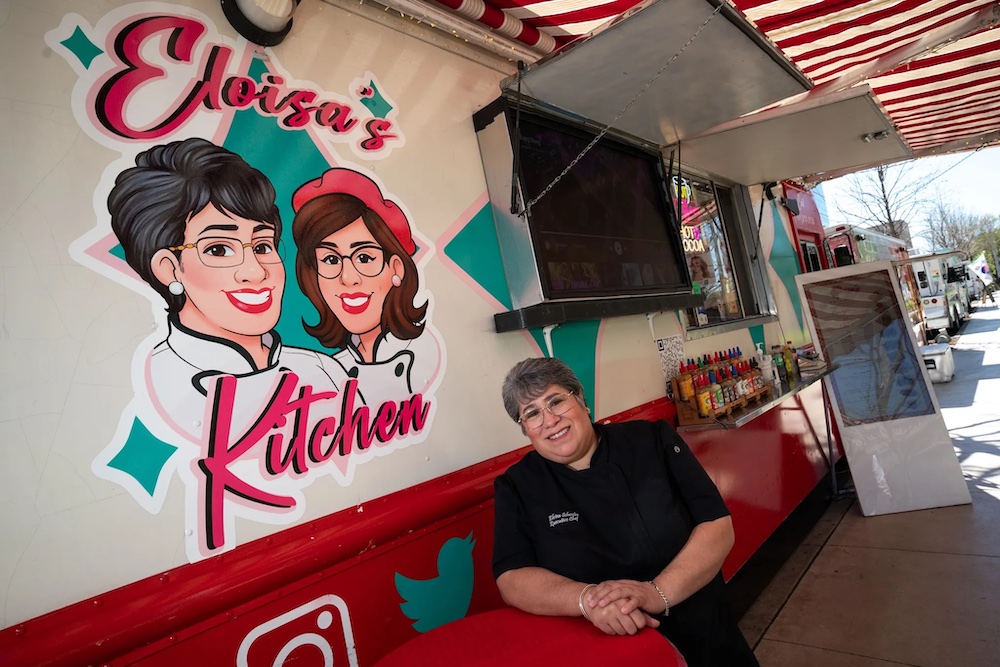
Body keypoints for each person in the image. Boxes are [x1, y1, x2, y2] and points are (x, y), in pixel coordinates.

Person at [492, 357, 758, 667]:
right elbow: (512, 577)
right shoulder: (517, 485)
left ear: (581, 399)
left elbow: (717, 525)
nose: (549, 420)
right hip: (600, 647)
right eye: (532, 413)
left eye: (556, 401)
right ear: (525, 429)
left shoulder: (652, 439)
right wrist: (589, 600)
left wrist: (656, 593)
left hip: (699, 627)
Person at [109, 138, 347, 441]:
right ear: (169, 268)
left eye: (262, 246)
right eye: (219, 249)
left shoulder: (322, 371)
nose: (255, 271)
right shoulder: (151, 384)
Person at [292, 168, 442, 407]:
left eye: (364, 258)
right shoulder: (331, 371)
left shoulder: (426, 349)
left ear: (396, 268)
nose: (348, 278)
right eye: (330, 260)